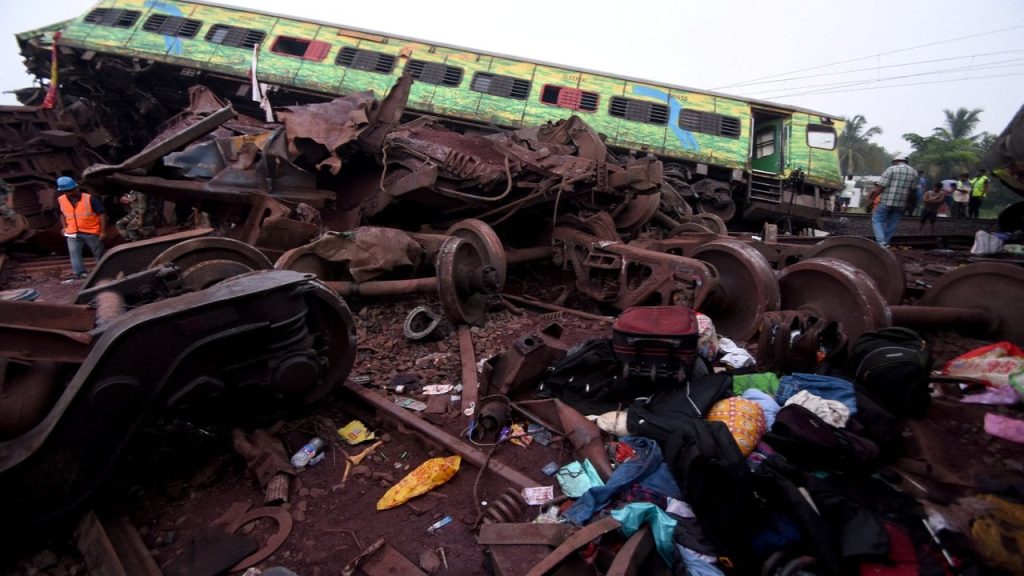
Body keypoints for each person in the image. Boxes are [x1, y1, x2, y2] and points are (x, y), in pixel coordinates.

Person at [56, 176, 106, 279]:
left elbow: (102, 214)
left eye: (71, 190)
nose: (69, 193)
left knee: (99, 252)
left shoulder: (89, 198)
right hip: (72, 231)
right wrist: (64, 227)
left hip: (91, 230)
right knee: (74, 253)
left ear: (77, 188)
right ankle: (80, 273)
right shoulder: (61, 200)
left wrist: (103, 231)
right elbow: (61, 214)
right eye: (66, 191)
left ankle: (103, 271)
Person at [869, 154, 916, 248]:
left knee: (877, 219)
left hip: (887, 201)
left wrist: (872, 198)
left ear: (896, 161)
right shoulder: (914, 172)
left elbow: (881, 186)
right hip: (901, 203)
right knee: (892, 223)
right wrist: (909, 203)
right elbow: (912, 191)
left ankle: (881, 243)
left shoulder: (891, 169)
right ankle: (885, 243)